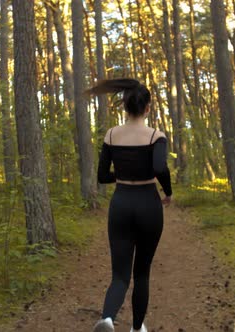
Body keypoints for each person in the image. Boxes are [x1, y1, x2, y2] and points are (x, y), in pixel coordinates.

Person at [85, 79, 172, 332]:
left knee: (120, 275)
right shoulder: (156, 136)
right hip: (148, 205)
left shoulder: (112, 134)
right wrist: (168, 192)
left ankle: (108, 319)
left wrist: (122, 176)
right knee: (142, 274)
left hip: (121, 205)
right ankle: (136, 329)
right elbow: (159, 168)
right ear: (147, 108)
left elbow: (102, 176)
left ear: (125, 107)